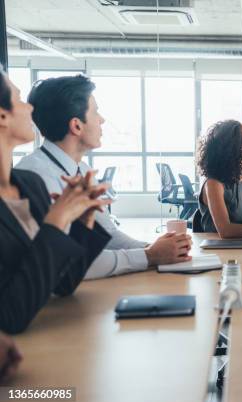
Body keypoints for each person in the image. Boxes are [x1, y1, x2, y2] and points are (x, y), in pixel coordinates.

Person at [17, 75, 193, 280]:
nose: (102, 120)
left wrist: (158, 248)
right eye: (96, 111)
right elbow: (67, 260)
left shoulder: (81, 169)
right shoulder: (34, 177)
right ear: (76, 126)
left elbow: (108, 234)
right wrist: (148, 255)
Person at [0, 69, 112, 334]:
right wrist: (57, 220)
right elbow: (9, 317)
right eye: (18, 98)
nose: (30, 108)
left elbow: (64, 283)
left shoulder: (30, 183)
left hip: (52, 336)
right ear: (2, 116)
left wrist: (83, 222)